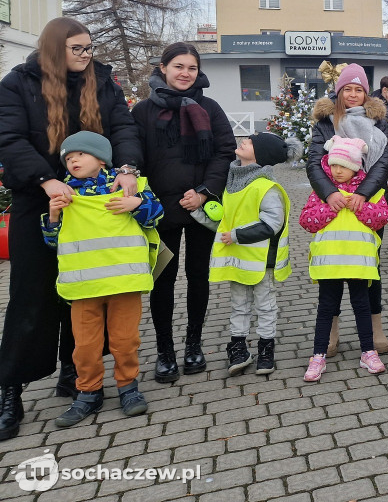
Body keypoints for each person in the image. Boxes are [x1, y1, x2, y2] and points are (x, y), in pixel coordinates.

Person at [0, 17, 143, 441]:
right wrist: (46, 180)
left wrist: (129, 168)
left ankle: (77, 376)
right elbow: (8, 139)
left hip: (94, 206)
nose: (85, 55)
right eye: (77, 49)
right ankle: (11, 389)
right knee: (31, 296)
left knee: (88, 291)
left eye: (89, 48)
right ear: (54, 49)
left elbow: (123, 127)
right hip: (38, 201)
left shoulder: (102, 81)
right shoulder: (17, 83)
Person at [43, 132, 163, 427]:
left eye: (80, 155)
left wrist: (136, 206)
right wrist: (53, 217)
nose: (73, 161)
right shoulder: (63, 195)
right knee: (84, 345)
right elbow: (52, 242)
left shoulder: (128, 187)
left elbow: (156, 216)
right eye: (68, 159)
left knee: (125, 340)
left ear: (101, 159)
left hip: (124, 283)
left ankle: (128, 387)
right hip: (83, 287)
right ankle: (88, 392)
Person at [133, 43, 236, 383]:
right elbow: (134, 158)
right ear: (162, 68)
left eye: (191, 67)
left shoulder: (209, 107)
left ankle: (194, 343)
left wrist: (205, 191)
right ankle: (164, 351)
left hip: (199, 208)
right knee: (162, 279)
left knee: (198, 276)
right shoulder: (144, 111)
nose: (185, 73)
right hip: (159, 211)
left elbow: (224, 152)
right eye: (178, 66)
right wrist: (147, 198)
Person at [191, 132, 298, 376]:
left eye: (250, 142)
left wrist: (237, 235)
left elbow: (272, 223)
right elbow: (225, 223)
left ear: (260, 154)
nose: (244, 142)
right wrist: (197, 212)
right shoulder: (232, 182)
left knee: (265, 305)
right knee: (238, 306)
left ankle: (265, 349)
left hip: (262, 261)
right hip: (238, 260)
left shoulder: (266, 186)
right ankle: (238, 348)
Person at [308, 64, 388, 356]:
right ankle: (331, 331)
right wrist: (329, 192)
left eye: (359, 89)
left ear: (366, 93)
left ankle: (375, 327)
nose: (353, 94)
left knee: (369, 266)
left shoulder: (378, 121)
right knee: (332, 264)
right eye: (348, 89)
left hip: (367, 204)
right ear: (339, 91)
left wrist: (363, 193)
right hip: (331, 204)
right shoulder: (325, 122)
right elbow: (313, 161)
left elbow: (383, 162)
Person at [299, 137, 388, 380]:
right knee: (326, 308)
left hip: (358, 263)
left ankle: (368, 351)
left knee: (362, 305)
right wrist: (332, 206)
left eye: (344, 165)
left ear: (357, 166)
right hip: (330, 264)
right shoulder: (323, 192)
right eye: (334, 165)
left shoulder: (369, 192)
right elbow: (306, 220)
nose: (338, 170)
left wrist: (359, 205)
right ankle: (317, 355)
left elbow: (383, 217)